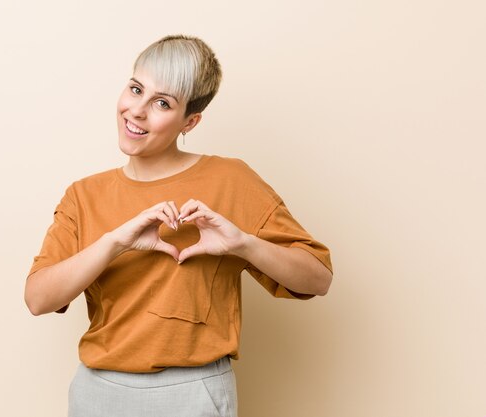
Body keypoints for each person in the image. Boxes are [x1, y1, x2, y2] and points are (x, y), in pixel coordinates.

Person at [24, 34, 333, 417]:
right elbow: (38, 299)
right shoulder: (83, 194)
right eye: (136, 89)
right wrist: (114, 242)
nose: (136, 111)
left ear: (191, 121)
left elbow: (318, 279)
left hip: (191, 394)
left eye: (162, 103)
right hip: (97, 393)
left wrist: (243, 244)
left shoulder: (231, 180)